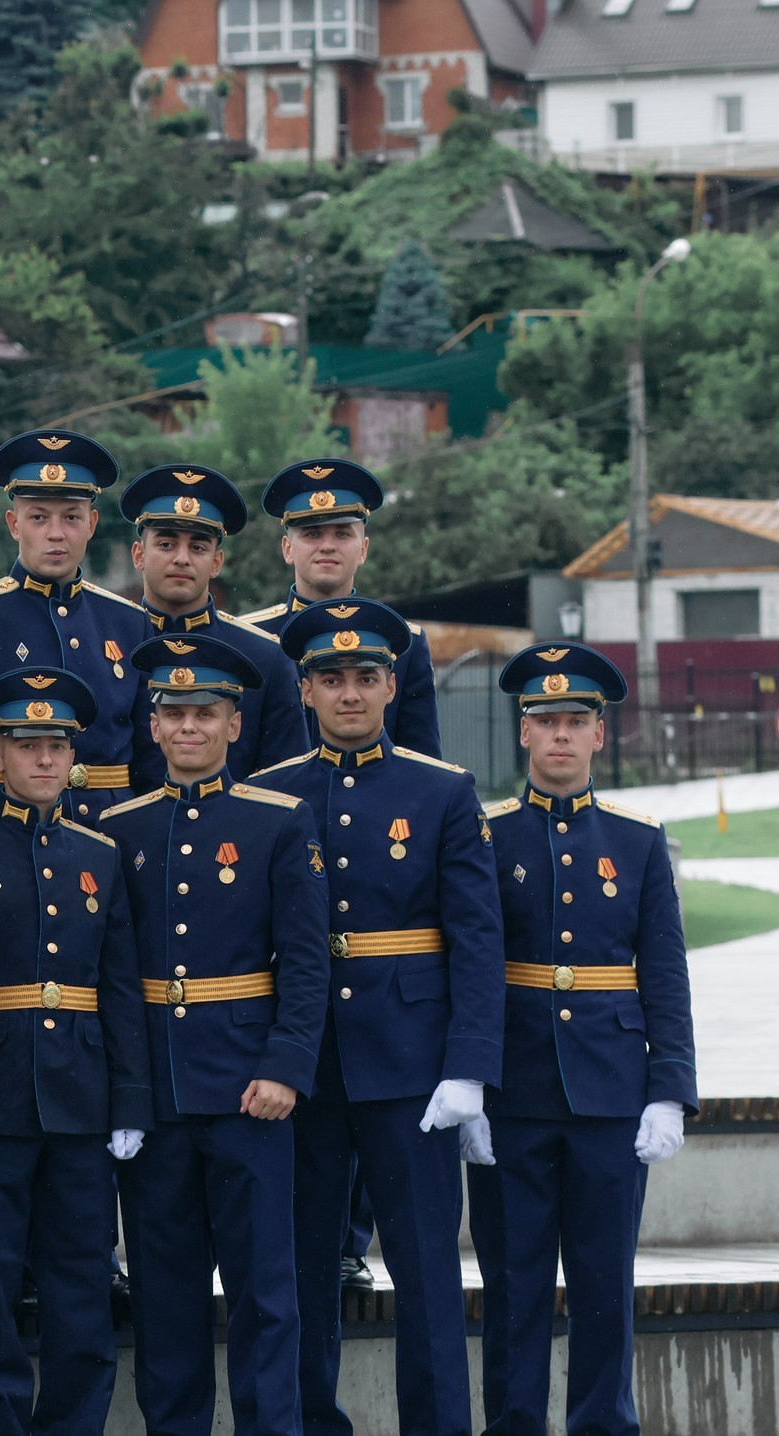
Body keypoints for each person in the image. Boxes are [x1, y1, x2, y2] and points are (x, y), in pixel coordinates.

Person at [249, 598, 501, 1436]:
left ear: (393, 685)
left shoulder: (442, 790)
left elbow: (474, 936)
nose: (349, 693)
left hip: (412, 1060)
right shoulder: (270, 795)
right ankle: (312, 1422)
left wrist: (468, 1066)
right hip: (307, 1067)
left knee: (427, 1272)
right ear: (305, 690)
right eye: (331, 679)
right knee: (304, 1268)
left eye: (365, 677)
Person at [96, 634, 329, 1436]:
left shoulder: (277, 820)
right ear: (153, 726)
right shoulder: (117, 829)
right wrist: (127, 1089)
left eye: (206, 713)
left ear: (236, 723)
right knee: (165, 1292)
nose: (188, 728)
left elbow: (304, 960)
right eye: (174, 714)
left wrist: (286, 1067)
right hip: (157, 1094)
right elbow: (114, 977)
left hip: (248, 1090)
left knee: (267, 1292)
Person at [476, 642, 695, 1436]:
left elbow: (665, 975)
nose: (561, 735)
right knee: (513, 1285)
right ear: (524, 734)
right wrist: (468, 1081)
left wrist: (669, 1090)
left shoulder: (637, 840)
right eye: (546, 722)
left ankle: (605, 1426)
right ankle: (515, 1425)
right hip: (513, 1091)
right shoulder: (486, 835)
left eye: (576, 721)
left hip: (611, 1093)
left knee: (606, 1286)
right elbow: (470, 968)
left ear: (600, 735)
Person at [0, 666, 150, 1436]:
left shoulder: (99, 852)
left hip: (84, 1096)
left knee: (82, 1283)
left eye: (58, 745)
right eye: (29, 746)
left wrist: (131, 1100)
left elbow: (119, 987)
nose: (47, 760)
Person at [0, 430, 153, 825]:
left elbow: (149, 754)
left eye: (71, 517)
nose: (56, 533)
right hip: (5, 830)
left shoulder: (129, 622)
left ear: (92, 524)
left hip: (113, 829)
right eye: (38, 517)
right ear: (14, 524)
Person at [117, 464, 305, 788]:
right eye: (166, 544)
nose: (181, 558)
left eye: (198, 547)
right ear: (138, 555)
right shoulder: (109, 643)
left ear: (217, 562)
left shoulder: (265, 657)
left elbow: (288, 782)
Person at [238, 461, 439, 756]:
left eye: (343, 534)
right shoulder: (247, 640)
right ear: (287, 548)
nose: (327, 546)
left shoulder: (404, 643)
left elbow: (423, 768)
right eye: (312, 534)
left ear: (364, 549)